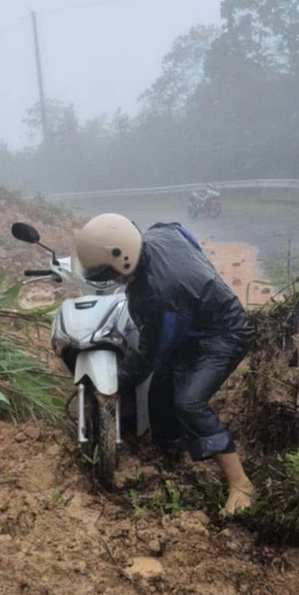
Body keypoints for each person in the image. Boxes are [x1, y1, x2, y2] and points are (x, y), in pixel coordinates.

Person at [72, 212, 255, 515]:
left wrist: (118, 383)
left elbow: (150, 353)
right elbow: (188, 238)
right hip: (195, 319)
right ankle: (171, 450)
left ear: (125, 259)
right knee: (159, 390)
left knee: (188, 401)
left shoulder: (158, 296)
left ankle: (241, 484)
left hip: (225, 333)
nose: (111, 280)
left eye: (109, 274)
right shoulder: (161, 232)